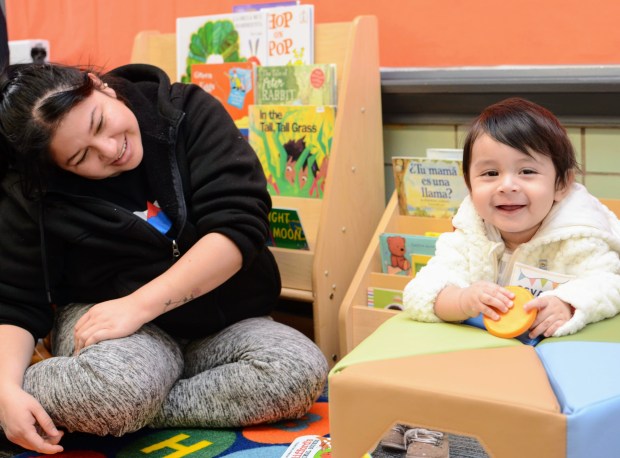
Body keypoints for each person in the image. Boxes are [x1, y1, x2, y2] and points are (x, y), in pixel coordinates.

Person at [0, 62, 328, 454]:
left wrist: (139, 306)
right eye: (80, 157)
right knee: (114, 388)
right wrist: (4, 390)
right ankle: (110, 396)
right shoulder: (31, 190)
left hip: (218, 320)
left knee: (297, 372)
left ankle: (137, 405)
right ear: (55, 167)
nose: (110, 149)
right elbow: (16, 303)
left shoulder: (185, 111)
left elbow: (237, 227)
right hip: (108, 322)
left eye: (100, 122)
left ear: (99, 86)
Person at [404, 97, 620, 339]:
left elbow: (610, 283)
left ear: (561, 184)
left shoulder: (581, 235)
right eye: (490, 173)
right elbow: (420, 293)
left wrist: (568, 303)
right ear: (469, 185)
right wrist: (462, 300)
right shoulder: (470, 232)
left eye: (527, 171)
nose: (507, 186)